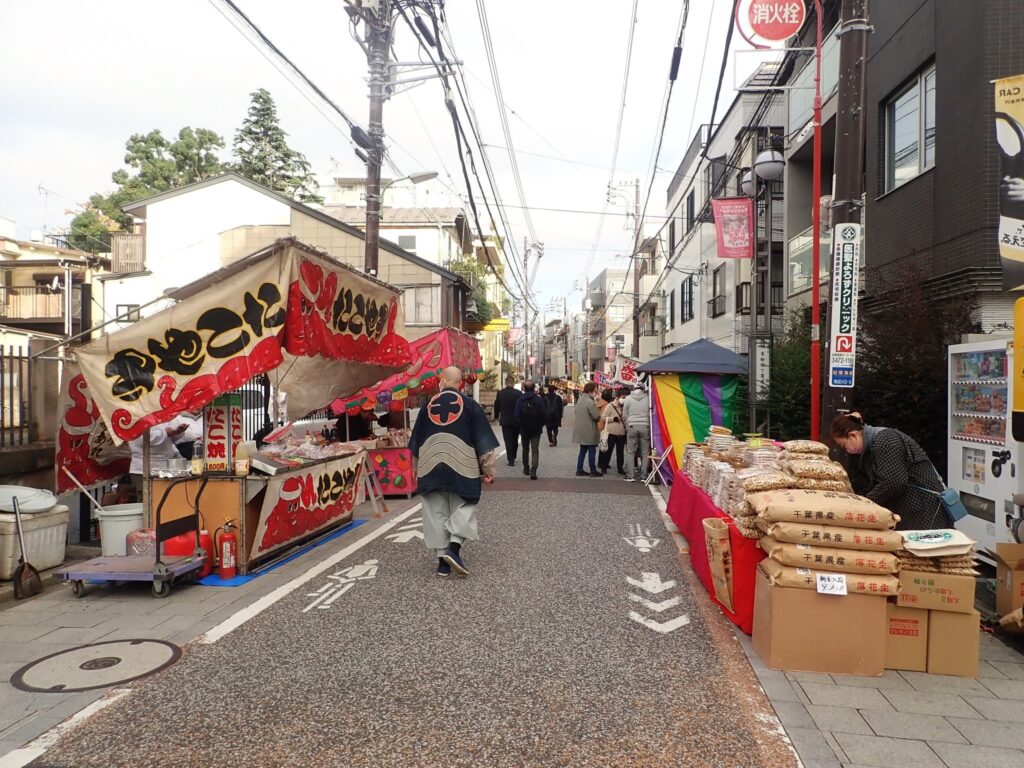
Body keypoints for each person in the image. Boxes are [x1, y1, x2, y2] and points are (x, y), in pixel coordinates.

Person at [409, 366, 499, 577]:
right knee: (465, 504)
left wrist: (415, 468)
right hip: (462, 463)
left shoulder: (427, 406)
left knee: (434, 510)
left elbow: (416, 442)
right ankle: (454, 549)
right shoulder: (470, 405)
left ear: (442, 380)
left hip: (430, 464)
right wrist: (488, 469)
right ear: (462, 383)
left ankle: (442, 562)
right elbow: (483, 442)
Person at [830, 412, 951, 530]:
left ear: (853, 435)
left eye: (844, 445)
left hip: (924, 509)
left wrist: (865, 502)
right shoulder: (876, 443)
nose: (847, 450)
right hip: (915, 508)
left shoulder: (885, 441)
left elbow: (894, 483)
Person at [128, 421, 188, 492]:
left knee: (163, 497)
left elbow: (170, 438)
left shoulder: (162, 417)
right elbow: (144, 438)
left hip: (164, 468)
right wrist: (165, 433)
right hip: (143, 470)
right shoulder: (136, 417)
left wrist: (178, 432)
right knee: (147, 499)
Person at [513, 380, 548, 480]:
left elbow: (516, 415)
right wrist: (541, 424)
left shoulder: (520, 400)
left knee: (525, 449)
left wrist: (521, 424)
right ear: (534, 389)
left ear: (524, 388)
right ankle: (534, 469)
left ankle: (526, 468)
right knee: (535, 449)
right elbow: (544, 414)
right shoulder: (539, 400)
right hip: (536, 429)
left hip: (524, 429)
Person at [623, 382, 651, 482]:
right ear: (643, 389)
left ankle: (630, 475)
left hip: (632, 426)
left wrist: (628, 425)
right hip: (645, 426)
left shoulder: (628, 398)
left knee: (630, 452)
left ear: (634, 389)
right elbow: (651, 413)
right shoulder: (648, 398)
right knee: (645, 452)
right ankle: (644, 476)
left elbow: (624, 414)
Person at [572, 382, 601, 477]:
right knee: (592, 450)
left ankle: (579, 470)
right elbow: (596, 416)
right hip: (589, 430)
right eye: (595, 391)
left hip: (580, 430)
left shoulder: (580, 400)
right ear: (591, 391)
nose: (595, 392)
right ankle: (593, 470)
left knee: (583, 450)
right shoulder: (590, 402)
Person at [493, 376, 522, 467]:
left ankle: (510, 459)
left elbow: (496, 405)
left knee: (508, 440)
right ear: (513, 383)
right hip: (516, 420)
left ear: (505, 383)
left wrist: (497, 416)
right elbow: (521, 407)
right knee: (515, 439)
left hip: (505, 420)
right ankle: (513, 455)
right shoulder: (518, 393)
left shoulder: (501, 393)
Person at [598, 387, 627, 476]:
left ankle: (620, 468)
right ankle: (604, 467)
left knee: (620, 452)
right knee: (608, 451)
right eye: (623, 397)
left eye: (626, 397)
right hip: (611, 432)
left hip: (621, 433)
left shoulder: (626, 406)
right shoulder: (611, 406)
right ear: (618, 397)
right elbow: (603, 417)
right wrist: (612, 419)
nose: (624, 399)